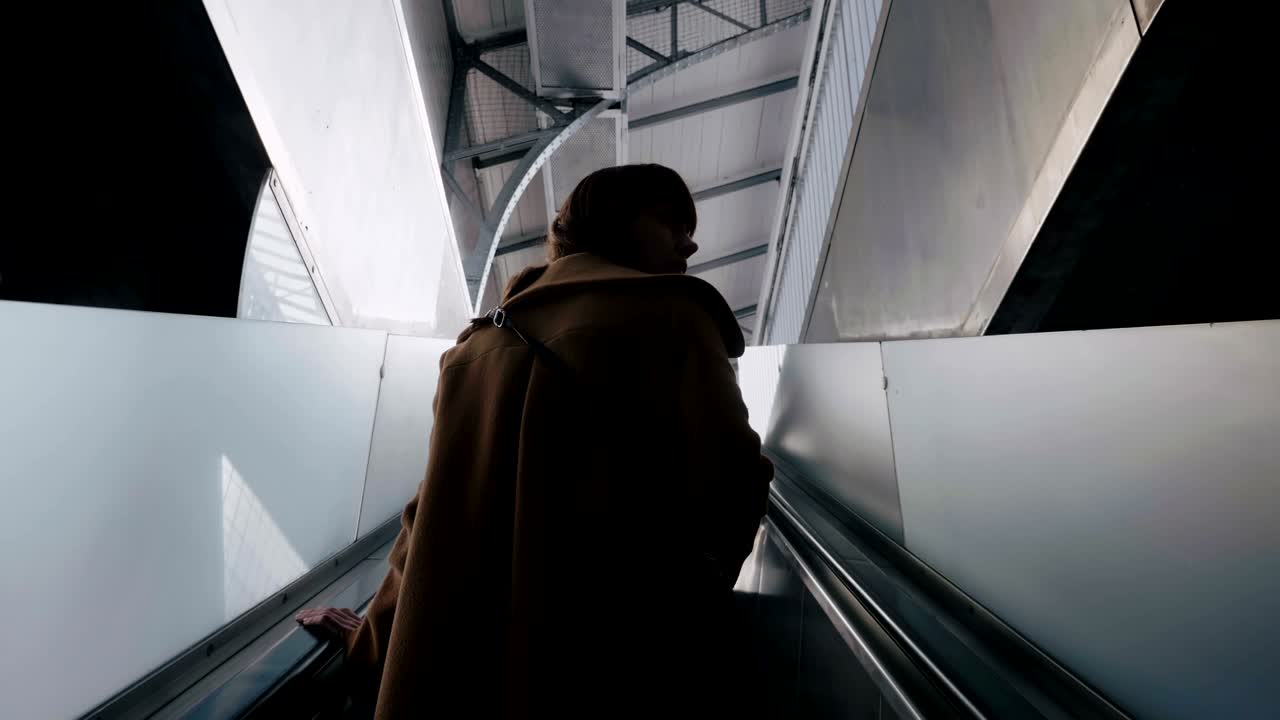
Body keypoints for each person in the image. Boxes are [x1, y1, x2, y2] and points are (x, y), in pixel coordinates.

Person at [297, 163, 773, 718]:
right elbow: (734, 486)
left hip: (448, 677)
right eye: (672, 222)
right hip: (604, 669)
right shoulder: (676, 317)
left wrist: (372, 638)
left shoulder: (473, 349)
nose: (689, 244)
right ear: (614, 219)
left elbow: (427, 519)